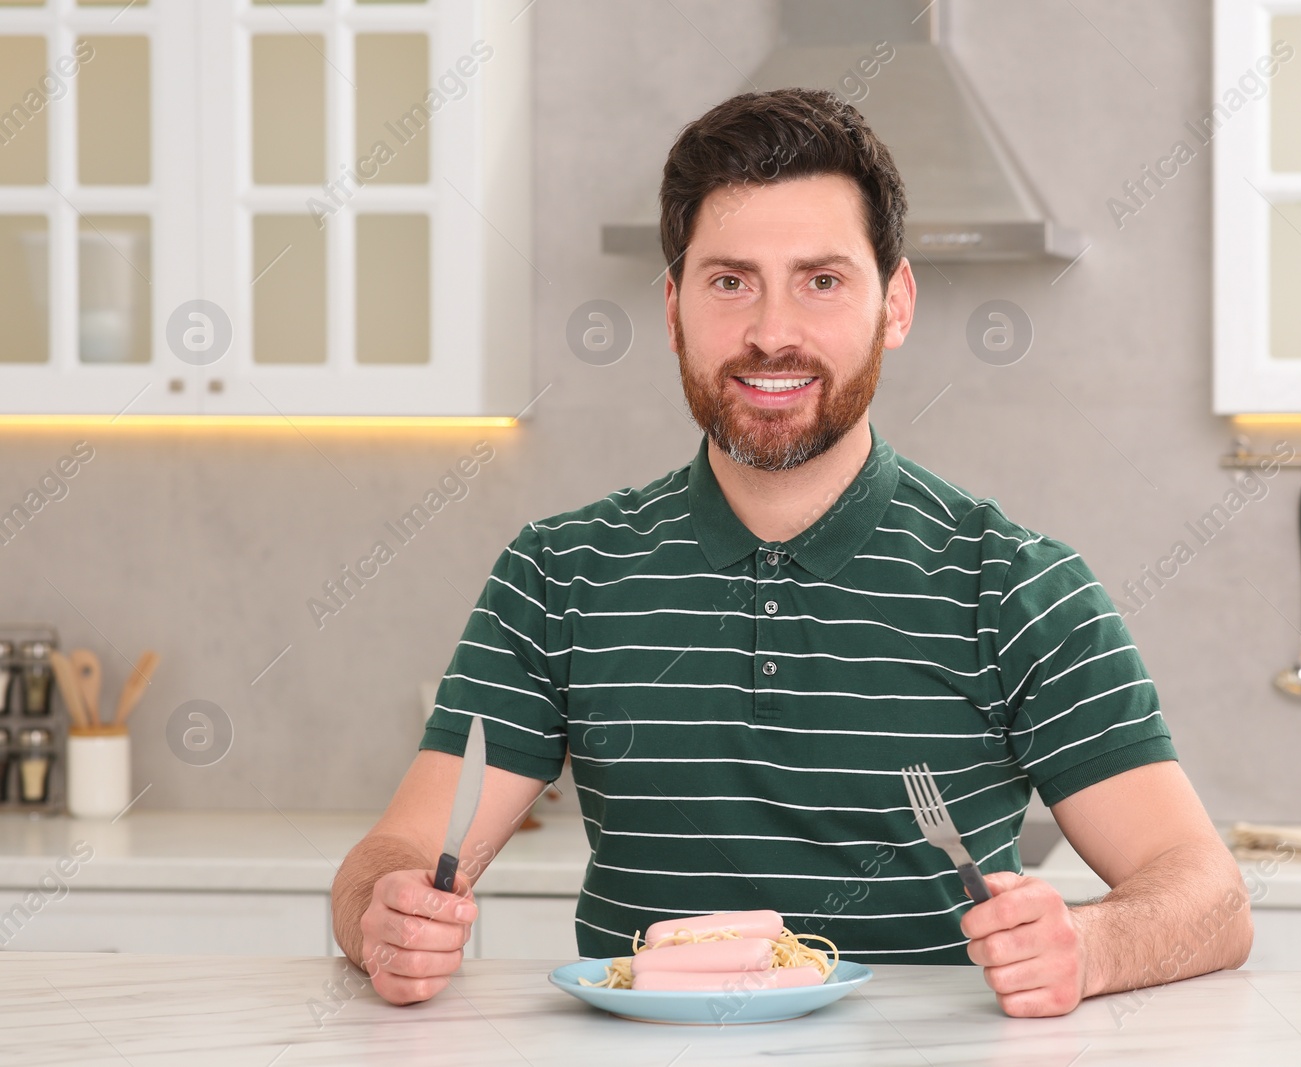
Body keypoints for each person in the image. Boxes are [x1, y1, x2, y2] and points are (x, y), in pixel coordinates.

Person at [331, 87, 1251, 1019]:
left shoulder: (1015, 583)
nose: (773, 331)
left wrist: (1087, 945)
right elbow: (395, 855)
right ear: (674, 308)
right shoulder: (557, 572)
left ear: (894, 304)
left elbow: (1208, 895)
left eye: (822, 280)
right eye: (731, 281)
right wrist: (386, 914)